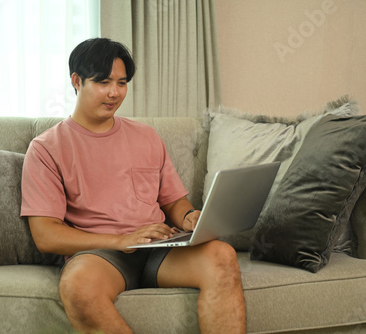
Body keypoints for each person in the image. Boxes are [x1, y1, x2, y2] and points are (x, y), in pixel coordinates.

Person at [21, 38, 246, 334]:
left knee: (222, 255)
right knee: (78, 285)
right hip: (102, 254)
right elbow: (46, 235)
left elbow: (174, 202)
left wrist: (191, 218)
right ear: (77, 81)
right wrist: (120, 240)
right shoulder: (46, 148)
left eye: (122, 83)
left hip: (159, 248)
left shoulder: (146, 136)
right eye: (103, 82)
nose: (114, 93)